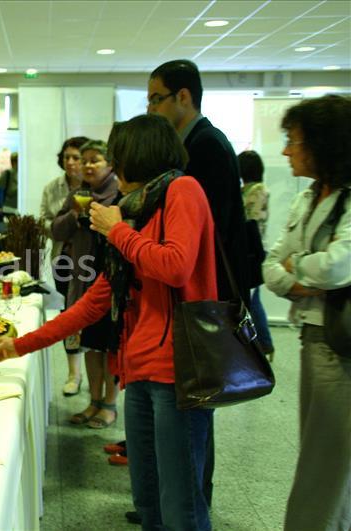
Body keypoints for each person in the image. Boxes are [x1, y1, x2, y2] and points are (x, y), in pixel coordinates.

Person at [0, 114, 217, 531]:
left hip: (178, 370)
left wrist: (117, 232)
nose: (112, 165)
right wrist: (19, 345)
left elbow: (176, 266)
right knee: (148, 499)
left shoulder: (183, 191)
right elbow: (94, 301)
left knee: (181, 503)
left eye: (116, 156)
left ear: (137, 155)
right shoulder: (139, 208)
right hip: (140, 369)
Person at [148, 59, 249, 508]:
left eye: (156, 99)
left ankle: (191, 506)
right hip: (194, 298)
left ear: (183, 97)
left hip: (204, 300)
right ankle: (179, 500)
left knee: (194, 409)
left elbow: (204, 236)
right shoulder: (194, 144)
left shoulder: (206, 146)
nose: (152, 109)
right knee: (186, 413)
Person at [263, 94, 351, 531]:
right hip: (313, 338)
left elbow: (337, 266)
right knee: (326, 461)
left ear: (323, 144)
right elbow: (269, 266)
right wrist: (300, 274)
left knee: (324, 468)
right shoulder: (309, 199)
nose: (286, 151)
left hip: (341, 346)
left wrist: (295, 267)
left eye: (294, 141)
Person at [52, 139, 120, 428]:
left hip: (111, 279)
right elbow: (56, 231)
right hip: (83, 277)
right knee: (90, 344)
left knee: (109, 346)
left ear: (109, 164)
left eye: (95, 160)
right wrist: (74, 213)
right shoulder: (78, 194)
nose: (88, 165)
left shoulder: (117, 193)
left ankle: (110, 405)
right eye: (85, 160)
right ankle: (94, 401)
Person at [40, 135, 88, 395]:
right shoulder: (53, 188)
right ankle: (73, 373)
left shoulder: (96, 187)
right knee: (69, 314)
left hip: (90, 259)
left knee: (92, 317)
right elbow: (44, 222)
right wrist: (66, 224)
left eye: (76, 158)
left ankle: (98, 379)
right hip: (63, 258)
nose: (71, 162)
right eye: (67, 157)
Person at [239, 150, 275, 359]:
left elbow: (250, 220)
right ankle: (264, 342)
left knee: (252, 298)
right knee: (254, 298)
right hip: (252, 249)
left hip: (252, 250)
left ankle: (265, 342)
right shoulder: (250, 189)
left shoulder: (257, 191)